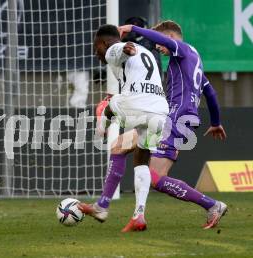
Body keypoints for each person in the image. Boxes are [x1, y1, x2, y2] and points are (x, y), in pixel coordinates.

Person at [117, 20, 227, 230]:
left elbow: (159, 39)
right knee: (128, 150)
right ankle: (114, 206)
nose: (158, 48)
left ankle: (212, 205)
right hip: (179, 118)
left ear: (171, 38)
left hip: (176, 118)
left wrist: (133, 29)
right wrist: (216, 122)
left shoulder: (182, 49)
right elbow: (210, 93)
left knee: (155, 177)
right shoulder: (194, 60)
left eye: (161, 44)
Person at [78, 24, 169, 231]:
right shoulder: (146, 52)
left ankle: (100, 130)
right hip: (159, 111)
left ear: (104, 43)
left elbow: (121, 49)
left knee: (108, 106)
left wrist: (126, 47)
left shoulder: (112, 49)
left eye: (96, 47)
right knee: (140, 158)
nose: (96, 53)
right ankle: (139, 214)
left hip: (138, 104)